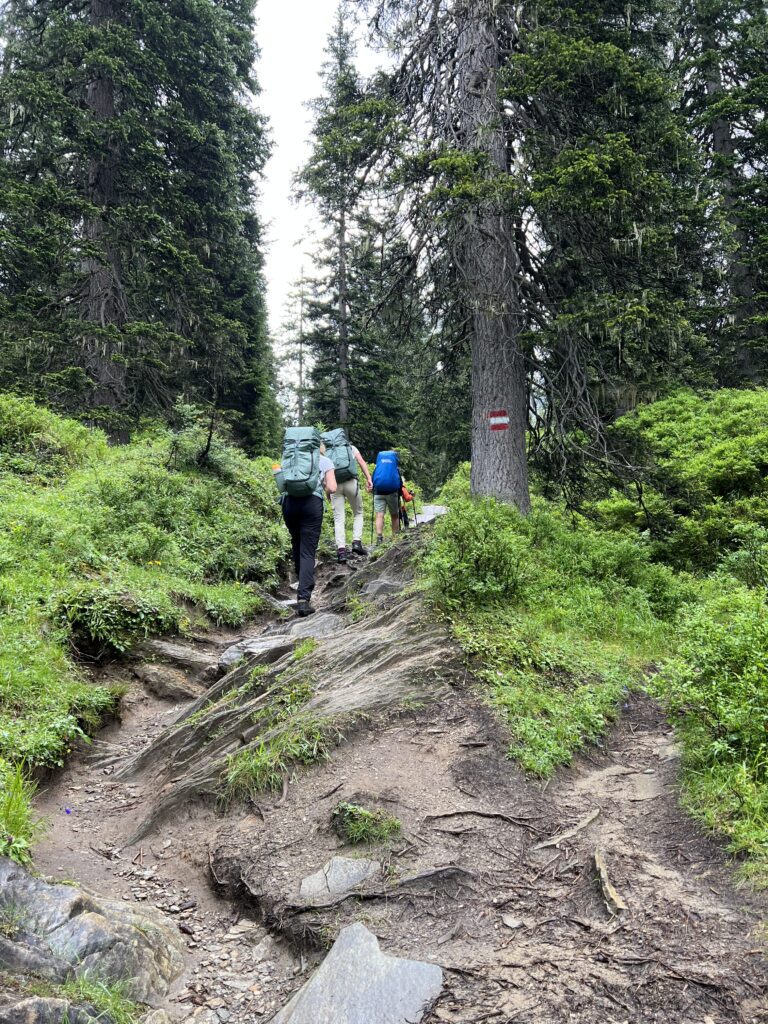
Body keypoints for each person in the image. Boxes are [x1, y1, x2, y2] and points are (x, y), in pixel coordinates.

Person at [279, 437, 336, 617]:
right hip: (312, 503)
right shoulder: (325, 460)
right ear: (319, 446)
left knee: (297, 542)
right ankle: (303, 599)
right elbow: (333, 488)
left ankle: (300, 579)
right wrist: (324, 486)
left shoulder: (290, 456)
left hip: (289, 503)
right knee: (308, 551)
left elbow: (281, 482)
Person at [323, 431, 374, 564]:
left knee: (339, 518)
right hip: (351, 482)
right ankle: (356, 543)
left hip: (335, 485)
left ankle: (341, 551)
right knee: (358, 513)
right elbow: (361, 461)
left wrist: (327, 492)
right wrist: (369, 479)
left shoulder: (327, 452)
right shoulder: (350, 448)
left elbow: (325, 474)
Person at [372, 448, 403, 545]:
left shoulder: (378, 467)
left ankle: (379, 537)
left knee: (379, 515)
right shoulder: (395, 468)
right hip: (392, 493)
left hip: (378, 492)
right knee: (394, 515)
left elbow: (373, 480)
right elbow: (400, 483)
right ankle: (395, 537)